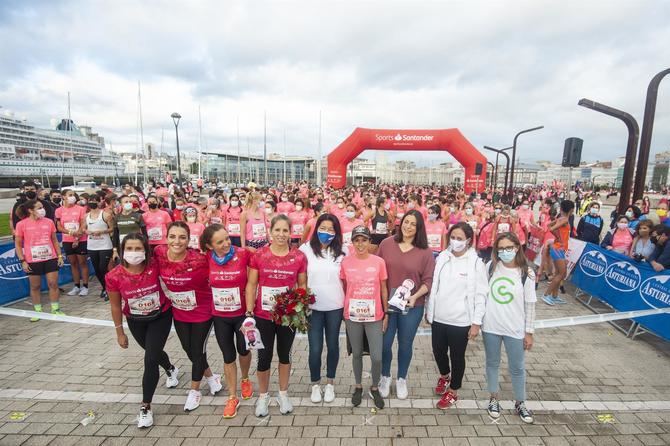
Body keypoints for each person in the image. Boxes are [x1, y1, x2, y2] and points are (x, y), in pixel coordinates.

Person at [106, 233, 179, 428]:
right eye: (129, 248)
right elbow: (115, 305)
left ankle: (145, 406)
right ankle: (171, 368)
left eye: (138, 248)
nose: (134, 252)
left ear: (146, 251)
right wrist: (119, 332)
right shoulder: (113, 276)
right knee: (151, 353)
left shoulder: (154, 265)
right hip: (136, 321)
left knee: (150, 359)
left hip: (160, 316)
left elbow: (171, 254)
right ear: (122, 251)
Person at [154, 222, 222, 412]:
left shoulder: (199, 259)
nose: (177, 241)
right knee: (188, 349)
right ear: (166, 237)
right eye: (173, 236)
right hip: (179, 310)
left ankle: (194, 391)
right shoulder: (159, 253)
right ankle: (211, 377)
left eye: (182, 237)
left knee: (197, 349)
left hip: (203, 310)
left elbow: (221, 263)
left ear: (189, 238)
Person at [245, 215, 307, 417]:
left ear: (290, 233)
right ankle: (263, 396)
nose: (281, 234)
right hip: (263, 315)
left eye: (285, 230)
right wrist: (249, 311)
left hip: (287, 317)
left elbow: (302, 286)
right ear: (270, 232)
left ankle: (283, 393)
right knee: (264, 356)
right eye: (277, 230)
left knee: (284, 354)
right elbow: (252, 284)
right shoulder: (259, 255)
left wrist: (300, 307)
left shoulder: (298, 257)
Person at [426, 222, 487, 410]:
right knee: (438, 351)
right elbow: (434, 286)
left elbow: (481, 294)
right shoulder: (442, 257)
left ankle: (453, 390)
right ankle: (445, 376)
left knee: (457, 356)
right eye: (453, 237)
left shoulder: (476, 263)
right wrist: (430, 311)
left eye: (460, 239)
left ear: (468, 241)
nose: (455, 241)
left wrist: (476, 323)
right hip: (439, 317)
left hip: (461, 321)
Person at [377, 210, 435, 399]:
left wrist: (415, 296)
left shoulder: (425, 251)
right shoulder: (387, 244)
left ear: (419, 228)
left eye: (413, 224)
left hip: (412, 306)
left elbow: (429, 280)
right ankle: (385, 376)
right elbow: (377, 271)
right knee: (385, 344)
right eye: (406, 222)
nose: (408, 226)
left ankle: (401, 378)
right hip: (387, 304)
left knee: (405, 343)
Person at [201, 224, 253, 419]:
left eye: (227, 239)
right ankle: (232, 396)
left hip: (241, 313)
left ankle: (246, 378)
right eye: (220, 242)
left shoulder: (243, 253)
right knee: (228, 355)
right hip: (220, 316)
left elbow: (255, 275)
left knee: (244, 349)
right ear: (209, 245)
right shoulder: (206, 258)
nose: (226, 244)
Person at [483, 233, 536, 424]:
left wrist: (528, 332)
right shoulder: (490, 267)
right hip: (490, 326)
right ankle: (493, 399)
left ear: (517, 247)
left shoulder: (526, 273)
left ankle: (520, 402)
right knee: (492, 363)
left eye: (509, 248)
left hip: (515, 329)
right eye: (501, 248)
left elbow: (530, 304)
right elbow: (481, 295)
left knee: (517, 367)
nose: (505, 252)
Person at [299, 213, 347, 404]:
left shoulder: (344, 251)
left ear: (336, 232)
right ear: (315, 228)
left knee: (333, 345)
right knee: (315, 348)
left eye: (330, 229)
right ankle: (315, 384)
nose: (326, 233)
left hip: (335, 306)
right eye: (322, 228)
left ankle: (330, 383)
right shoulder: (305, 249)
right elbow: (299, 278)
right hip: (313, 308)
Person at [340, 225, 388, 409]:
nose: (360, 244)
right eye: (357, 240)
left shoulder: (378, 262)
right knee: (357, 353)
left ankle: (374, 387)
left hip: (374, 315)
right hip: (352, 315)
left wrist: (386, 312)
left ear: (369, 242)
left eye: (364, 240)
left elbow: (383, 288)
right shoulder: (346, 262)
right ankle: (358, 385)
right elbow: (345, 287)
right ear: (352, 242)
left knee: (376, 356)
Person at [14, 200, 65, 320]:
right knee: (35, 286)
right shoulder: (22, 224)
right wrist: (23, 260)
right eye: (39, 208)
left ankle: (55, 309)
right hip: (32, 260)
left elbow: (54, 240)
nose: (43, 210)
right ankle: (37, 311)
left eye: (42, 207)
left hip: (50, 258)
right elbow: (17, 244)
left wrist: (59, 256)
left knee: (53, 284)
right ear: (30, 210)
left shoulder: (49, 222)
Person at [56, 189, 90, 297]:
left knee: (82, 263)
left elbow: (83, 224)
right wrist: (70, 232)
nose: (73, 197)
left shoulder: (80, 209)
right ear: (63, 197)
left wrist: (77, 238)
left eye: (73, 195)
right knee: (73, 263)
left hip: (81, 239)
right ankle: (76, 286)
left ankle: (85, 286)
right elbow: (59, 226)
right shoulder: (59, 210)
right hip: (67, 240)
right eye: (70, 195)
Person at [83, 195, 115, 301]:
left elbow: (112, 228)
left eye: (94, 201)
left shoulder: (105, 215)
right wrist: (87, 231)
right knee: (97, 269)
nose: (92, 202)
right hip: (92, 246)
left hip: (105, 245)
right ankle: (105, 288)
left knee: (103, 268)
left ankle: (110, 289)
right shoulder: (86, 216)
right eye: (90, 200)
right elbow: (84, 228)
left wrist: (101, 232)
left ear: (99, 202)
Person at [542, 200, 574, 306]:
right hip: (558, 249)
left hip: (559, 248)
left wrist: (557, 236)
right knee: (561, 274)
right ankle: (546, 295)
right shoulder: (564, 219)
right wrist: (558, 237)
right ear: (571, 210)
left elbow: (549, 226)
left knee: (558, 274)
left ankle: (554, 296)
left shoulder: (561, 218)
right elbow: (551, 228)